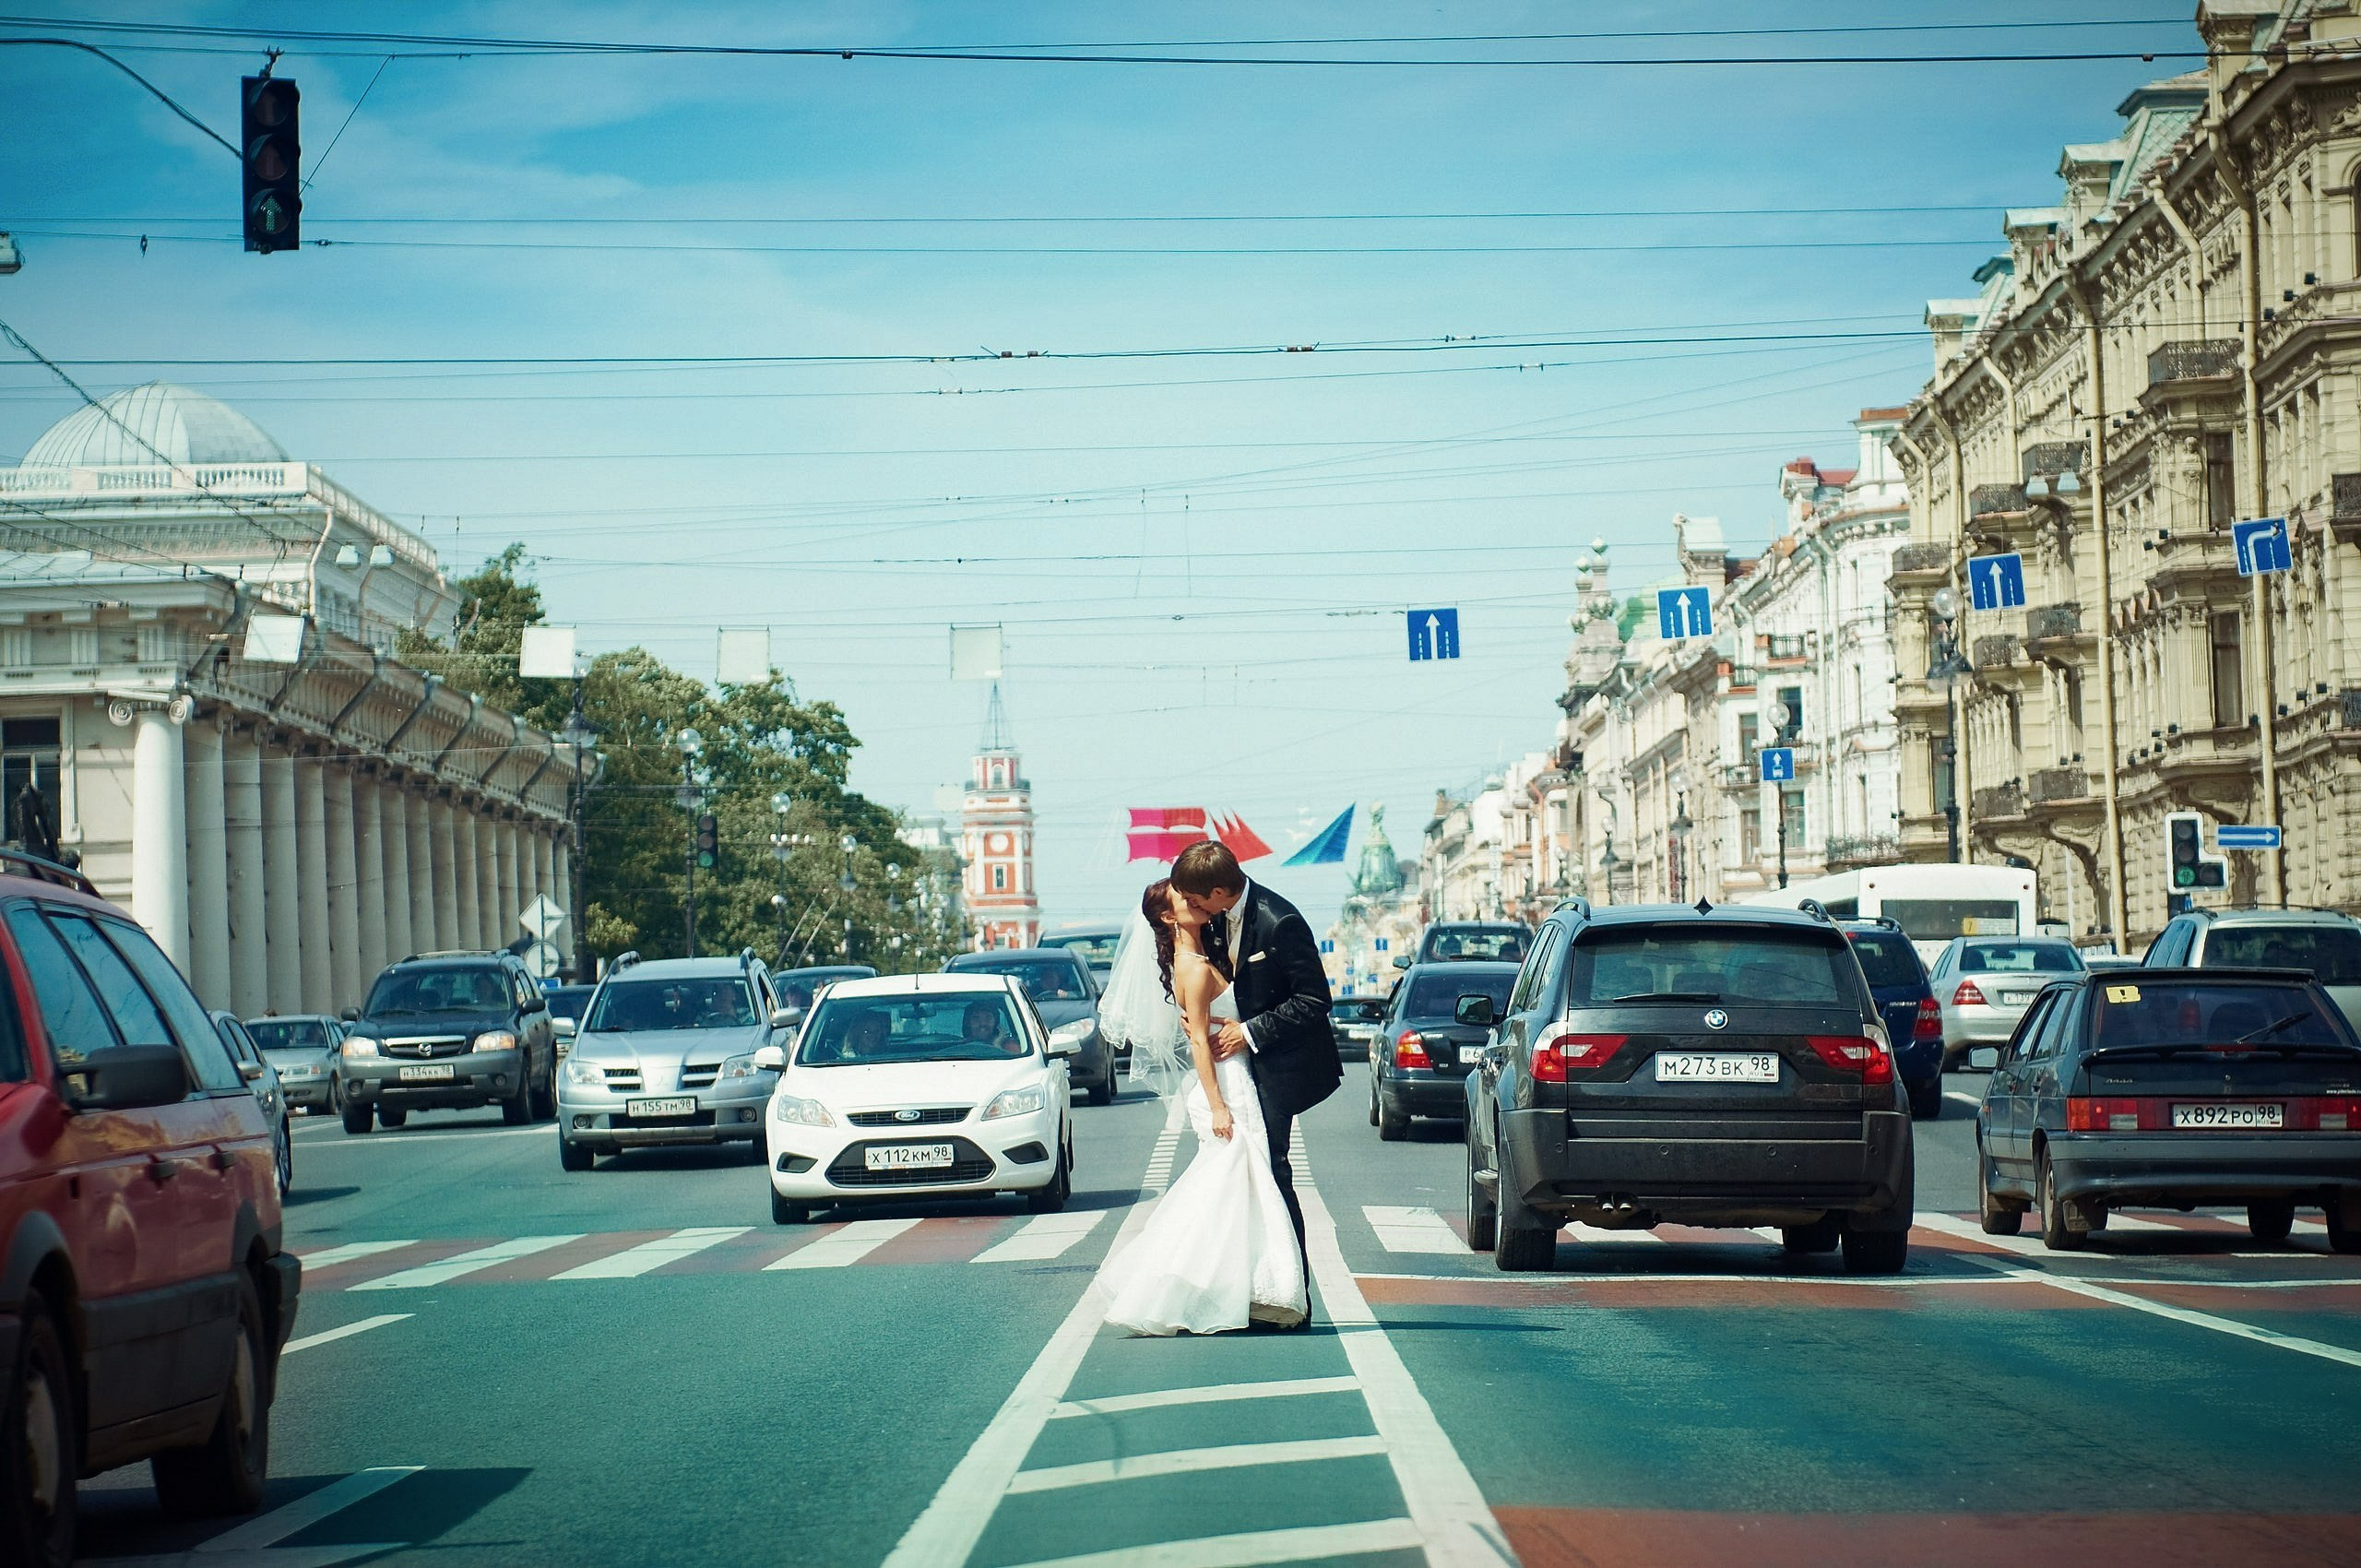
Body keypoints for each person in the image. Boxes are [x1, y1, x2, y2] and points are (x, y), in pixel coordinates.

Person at [1096, 876, 1307, 1335]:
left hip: (1238, 1075)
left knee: (1241, 1184)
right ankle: (1198, 1285)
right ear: (1170, 916)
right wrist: (1216, 1106)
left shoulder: (1201, 950)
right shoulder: (1190, 966)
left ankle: (1245, 1288)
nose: (1195, 902)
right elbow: (1197, 1041)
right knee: (1233, 1180)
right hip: (1223, 1085)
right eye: (1183, 900)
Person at [1174, 838, 1341, 1280]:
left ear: (1216, 892)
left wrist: (1249, 1032)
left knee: (1271, 1170)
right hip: (1237, 1072)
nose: (1188, 906)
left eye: (1193, 898)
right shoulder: (1212, 920)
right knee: (1242, 1176)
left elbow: (1315, 999)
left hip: (1277, 1064)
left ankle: (1291, 1287)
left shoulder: (1279, 920)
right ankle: (1246, 1280)